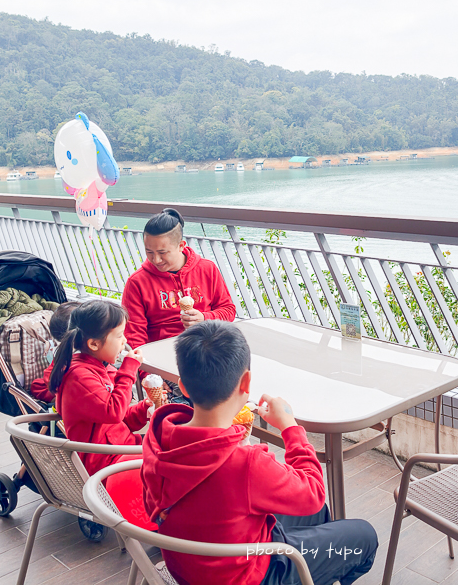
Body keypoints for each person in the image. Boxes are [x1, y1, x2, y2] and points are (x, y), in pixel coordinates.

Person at [139, 320, 378, 585]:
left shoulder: (159, 436)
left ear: (182, 386)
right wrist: (290, 426)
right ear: (247, 382)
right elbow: (313, 491)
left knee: (317, 512)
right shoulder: (246, 463)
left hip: (191, 565)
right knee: (364, 537)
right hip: (247, 574)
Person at [48, 299, 155, 529]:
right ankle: (169, 529)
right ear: (94, 344)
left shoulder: (98, 368)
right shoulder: (80, 377)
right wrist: (128, 369)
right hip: (105, 462)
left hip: (121, 450)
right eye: (119, 335)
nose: (125, 341)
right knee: (172, 462)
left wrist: (144, 407)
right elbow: (114, 412)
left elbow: (122, 418)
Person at [121, 207, 237, 351]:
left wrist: (205, 318)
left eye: (162, 252)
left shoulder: (207, 269)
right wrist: (146, 371)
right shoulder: (137, 282)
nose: (156, 259)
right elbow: (134, 336)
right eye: (149, 252)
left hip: (208, 350)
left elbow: (228, 310)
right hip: (164, 353)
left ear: (181, 246)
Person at [29, 300, 80, 403]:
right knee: (40, 386)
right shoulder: (69, 357)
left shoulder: (63, 352)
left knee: (38, 385)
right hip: (67, 388)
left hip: (67, 386)